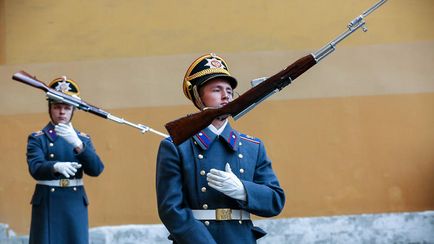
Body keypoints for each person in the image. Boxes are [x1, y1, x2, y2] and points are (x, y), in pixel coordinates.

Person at [156, 53, 285, 243]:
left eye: (229, 91)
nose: (226, 96)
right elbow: (171, 209)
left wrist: (242, 190)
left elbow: (275, 200)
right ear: (198, 97)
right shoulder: (176, 147)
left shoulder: (252, 147)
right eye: (216, 90)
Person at [26, 76, 104, 244]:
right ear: (50, 108)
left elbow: (96, 169)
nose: (62, 112)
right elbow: (35, 168)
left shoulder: (83, 139)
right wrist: (55, 166)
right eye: (57, 107)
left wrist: (78, 144)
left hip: (74, 203)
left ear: (73, 110)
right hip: (48, 202)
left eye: (67, 108)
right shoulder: (38, 138)